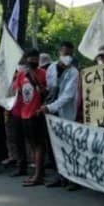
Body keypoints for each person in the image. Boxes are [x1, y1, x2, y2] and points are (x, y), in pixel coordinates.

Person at [40, 42, 80, 190]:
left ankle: (73, 179)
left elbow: (68, 95)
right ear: (59, 53)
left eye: (70, 54)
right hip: (51, 113)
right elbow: (50, 88)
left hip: (64, 113)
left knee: (68, 146)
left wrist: (50, 107)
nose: (67, 57)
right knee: (54, 146)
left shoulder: (73, 72)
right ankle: (60, 176)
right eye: (65, 54)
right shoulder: (51, 68)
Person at [12, 49, 48, 186]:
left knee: (39, 145)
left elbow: (49, 92)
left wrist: (41, 89)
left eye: (36, 58)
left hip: (37, 114)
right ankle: (39, 172)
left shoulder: (43, 73)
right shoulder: (21, 75)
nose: (34, 61)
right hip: (24, 115)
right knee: (33, 145)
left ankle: (38, 175)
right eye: (31, 58)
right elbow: (17, 93)